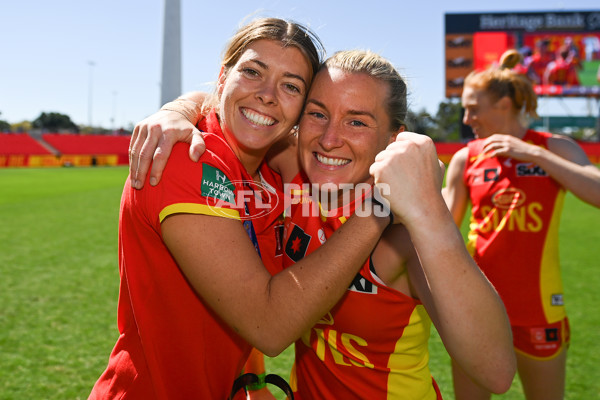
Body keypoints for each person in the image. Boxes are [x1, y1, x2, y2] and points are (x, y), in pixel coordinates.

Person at [130, 49, 516, 399]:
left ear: (391, 139)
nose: (330, 139)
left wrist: (432, 214)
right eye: (317, 114)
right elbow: (233, 106)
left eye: (357, 122)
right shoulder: (290, 164)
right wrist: (176, 110)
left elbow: (496, 371)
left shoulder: (401, 235)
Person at [90, 18, 398, 400]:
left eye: (291, 86)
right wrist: (380, 207)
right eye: (252, 72)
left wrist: (249, 379)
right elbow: (267, 324)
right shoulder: (187, 157)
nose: (268, 95)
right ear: (223, 77)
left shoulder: (272, 168)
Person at [443, 51, 600, 400]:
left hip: (539, 308)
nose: (467, 118)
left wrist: (536, 155)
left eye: (473, 108)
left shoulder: (555, 148)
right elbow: (443, 229)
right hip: (476, 307)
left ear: (502, 104)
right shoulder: (465, 157)